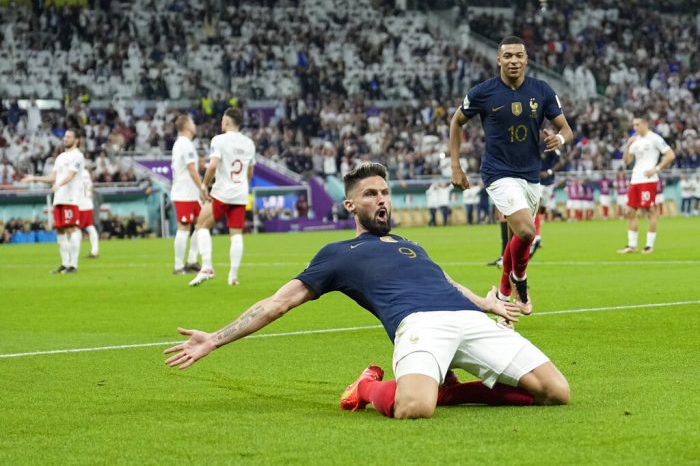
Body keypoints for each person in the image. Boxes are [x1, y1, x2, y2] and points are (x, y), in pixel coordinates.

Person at [164, 163, 570, 419]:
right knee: (414, 408)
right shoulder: (338, 254)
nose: (382, 201)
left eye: (385, 193)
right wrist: (215, 339)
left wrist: (486, 303)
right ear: (350, 206)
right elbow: (278, 303)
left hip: (470, 320)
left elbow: (444, 282)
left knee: (556, 393)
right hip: (418, 326)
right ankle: (366, 386)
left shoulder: (410, 244)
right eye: (371, 194)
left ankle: (446, 389)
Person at [449, 36, 573, 309]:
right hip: (498, 173)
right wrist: (456, 166)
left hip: (531, 175)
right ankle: (520, 280)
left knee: (518, 236)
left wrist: (559, 140)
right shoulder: (483, 92)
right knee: (527, 232)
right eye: (508, 56)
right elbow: (456, 122)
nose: (513, 61)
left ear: (526, 59)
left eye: (518, 55)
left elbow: (566, 129)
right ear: (499, 60)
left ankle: (505, 295)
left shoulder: (542, 90)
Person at [189, 107, 256, 287]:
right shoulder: (249, 143)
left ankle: (207, 267)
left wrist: (204, 184)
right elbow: (250, 172)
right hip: (240, 193)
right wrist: (241, 184)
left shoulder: (219, 140)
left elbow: (212, 166)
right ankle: (233, 276)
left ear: (226, 121)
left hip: (222, 192)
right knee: (236, 234)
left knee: (201, 225)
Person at [20, 128, 85, 273]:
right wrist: (34, 178)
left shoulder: (78, 156)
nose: (65, 139)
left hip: (71, 198)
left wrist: (58, 184)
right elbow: (53, 177)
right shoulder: (60, 157)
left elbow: (71, 175)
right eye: (65, 136)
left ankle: (73, 265)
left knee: (71, 228)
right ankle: (64, 263)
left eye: (68, 137)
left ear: (77, 140)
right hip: (59, 197)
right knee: (60, 230)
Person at [617, 115, 675, 254]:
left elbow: (670, 155)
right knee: (630, 212)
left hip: (648, 180)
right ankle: (632, 245)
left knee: (650, 212)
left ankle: (649, 245)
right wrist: (628, 145)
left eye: (637, 125)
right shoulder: (635, 140)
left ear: (645, 124)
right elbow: (626, 161)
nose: (634, 128)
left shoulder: (655, 138)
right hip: (635, 179)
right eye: (633, 125)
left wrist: (657, 168)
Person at [171, 114, 204, 275]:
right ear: (186, 126)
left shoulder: (185, 144)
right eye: (192, 122)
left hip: (191, 193)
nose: (194, 124)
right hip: (184, 192)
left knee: (201, 224)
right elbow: (191, 170)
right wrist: (203, 187)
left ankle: (191, 260)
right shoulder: (184, 144)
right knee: (184, 227)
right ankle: (178, 266)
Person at [77, 167, 99, 258]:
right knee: (90, 227)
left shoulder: (78, 175)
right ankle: (95, 251)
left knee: (76, 228)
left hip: (80, 205)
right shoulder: (87, 176)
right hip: (88, 204)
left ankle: (74, 252)